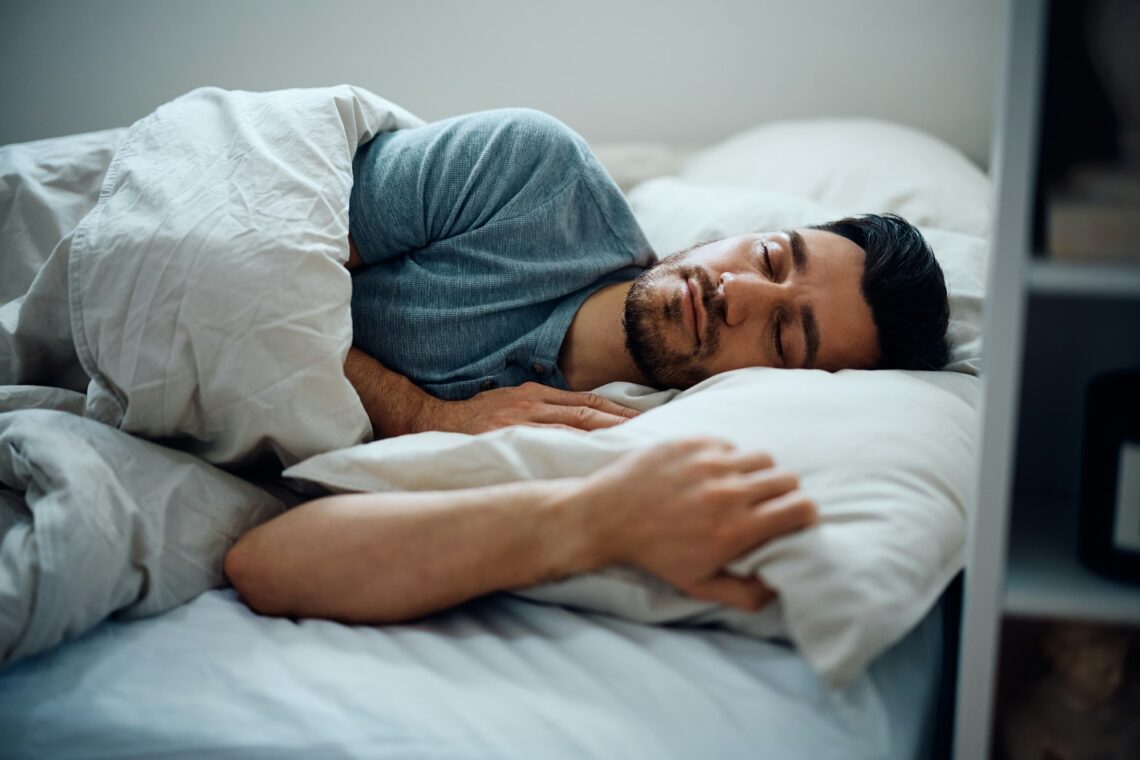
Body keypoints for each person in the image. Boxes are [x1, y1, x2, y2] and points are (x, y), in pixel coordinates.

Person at [224, 108, 951, 624]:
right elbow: (243, 258)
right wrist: (424, 416)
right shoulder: (532, 173)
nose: (737, 294)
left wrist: (590, 523)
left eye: (786, 337)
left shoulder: (617, 439)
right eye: (767, 257)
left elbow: (266, 565)